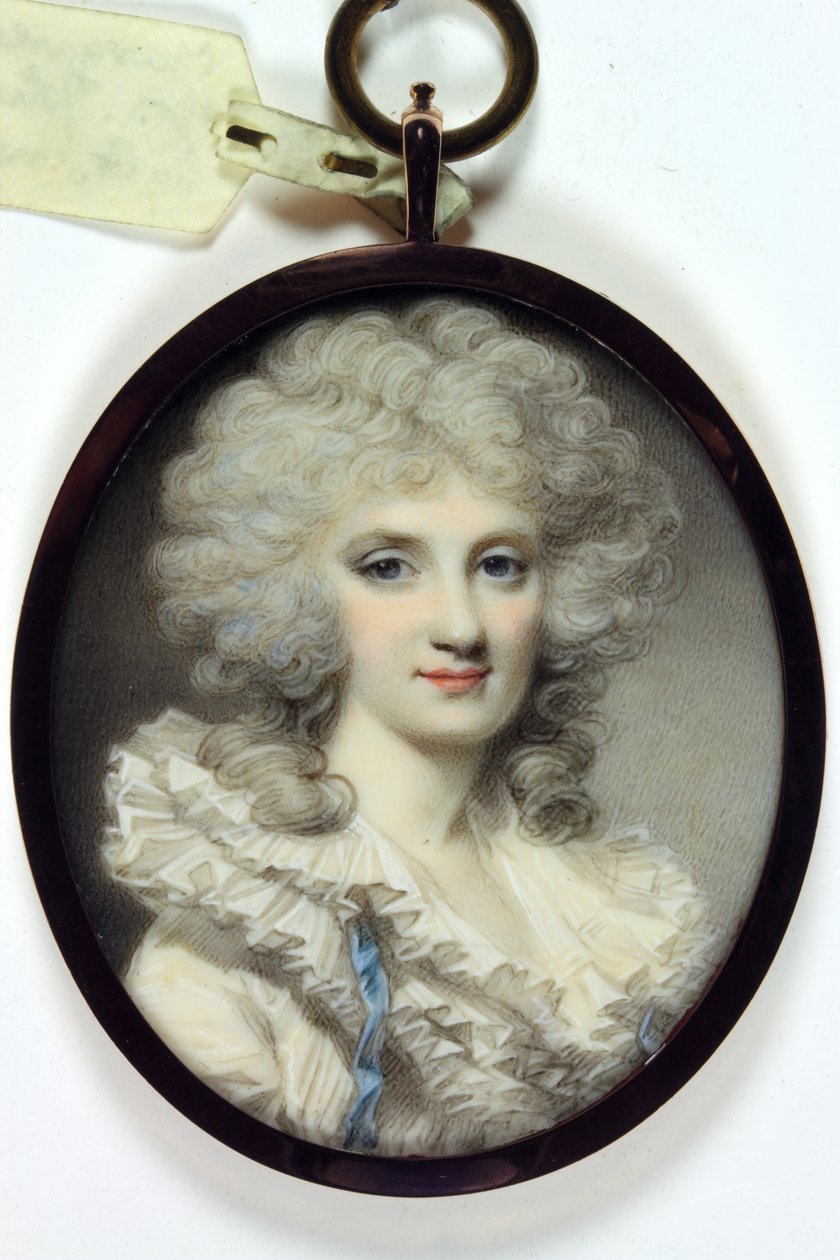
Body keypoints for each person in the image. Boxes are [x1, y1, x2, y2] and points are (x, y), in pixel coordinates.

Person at [103, 297, 716, 1158]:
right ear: (292, 592)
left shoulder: (612, 907)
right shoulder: (228, 949)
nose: (461, 625)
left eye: (499, 564)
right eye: (389, 566)